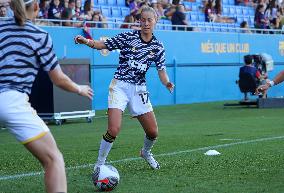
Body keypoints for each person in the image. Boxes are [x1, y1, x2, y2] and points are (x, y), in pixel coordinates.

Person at [0, 0, 93, 193]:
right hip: (11, 101)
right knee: (53, 159)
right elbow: (58, 79)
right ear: (36, 7)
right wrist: (80, 89)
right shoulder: (39, 35)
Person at [74, 6, 175, 171]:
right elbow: (103, 44)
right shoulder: (128, 37)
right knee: (113, 129)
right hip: (120, 86)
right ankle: (99, 165)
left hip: (139, 89)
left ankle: (146, 152)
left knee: (153, 132)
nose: (146, 23)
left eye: (150, 20)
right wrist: (87, 41)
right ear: (139, 21)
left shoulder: (158, 46)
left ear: (156, 21)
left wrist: (167, 83)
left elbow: (161, 71)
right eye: (143, 20)